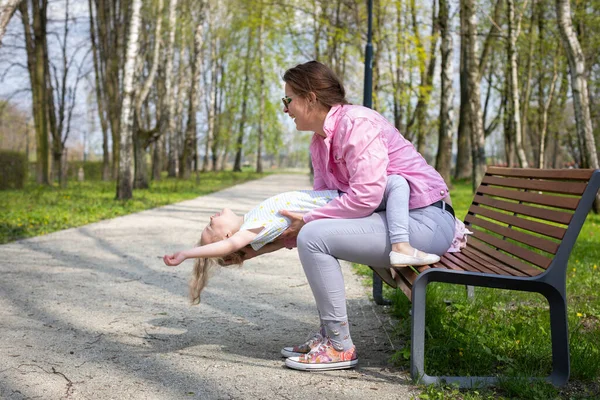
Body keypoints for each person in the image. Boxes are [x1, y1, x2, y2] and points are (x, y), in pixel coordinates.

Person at [270, 61, 457, 371]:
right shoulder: (320, 141)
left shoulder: (358, 123)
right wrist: (269, 236)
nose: (285, 109)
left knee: (315, 236)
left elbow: (366, 196)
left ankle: (339, 347)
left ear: (311, 98)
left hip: (427, 220)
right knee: (313, 232)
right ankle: (329, 335)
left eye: (287, 100)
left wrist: (310, 220)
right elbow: (326, 201)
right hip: (397, 218)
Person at [163, 174, 438, 305]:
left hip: (345, 205)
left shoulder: (255, 226)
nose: (211, 217)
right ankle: (400, 247)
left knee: (395, 185)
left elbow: (255, 249)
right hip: (347, 205)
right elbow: (232, 247)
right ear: (225, 236)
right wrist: (188, 254)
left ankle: (383, 260)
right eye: (209, 226)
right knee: (397, 182)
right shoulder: (251, 229)